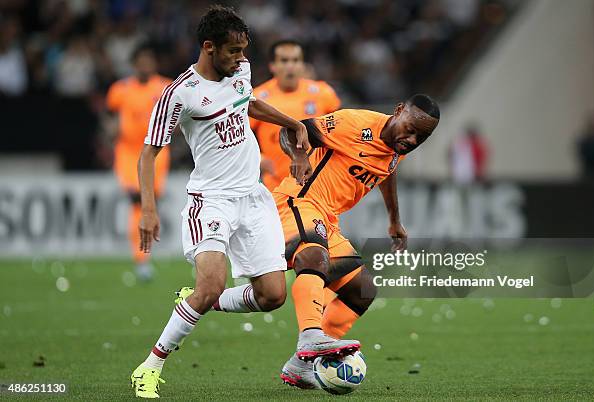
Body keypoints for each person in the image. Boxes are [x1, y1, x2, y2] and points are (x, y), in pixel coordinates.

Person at [129, 6, 357, 398]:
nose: (240, 58)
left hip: (253, 197)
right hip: (212, 200)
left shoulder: (240, 70)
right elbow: (148, 154)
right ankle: (150, 366)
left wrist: (293, 123)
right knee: (212, 284)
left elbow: (247, 103)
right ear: (208, 47)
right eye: (232, 51)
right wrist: (148, 210)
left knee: (272, 296)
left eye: (243, 51)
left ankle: (199, 301)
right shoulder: (180, 94)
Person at [275, 94, 440, 388]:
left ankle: (301, 365)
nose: (413, 140)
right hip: (298, 200)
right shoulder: (354, 124)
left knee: (361, 291)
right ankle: (311, 336)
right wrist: (299, 158)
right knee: (314, 258)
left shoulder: (396, 147)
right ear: (398, 110)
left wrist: (394, 219)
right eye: (411, 129)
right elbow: (293, 129)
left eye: (422, 137)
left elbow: (386, 171)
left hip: (328, 217)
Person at [106, 45, 171, 281]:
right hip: (128, 152)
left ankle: (145, 254)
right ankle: (142, 259)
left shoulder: (165, 87)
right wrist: (111, 130)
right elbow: (110, 116)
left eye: (149, 61)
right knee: (137, 201)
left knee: (150, 203)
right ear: (134, 65)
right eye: (141, 62)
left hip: (156, 152)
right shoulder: (119, 90)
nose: (145, 66)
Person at [251, 40, 341, 191]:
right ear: (272, 66)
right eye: (284, 61)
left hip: (318, 185)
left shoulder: (323, 93)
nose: (290, 66)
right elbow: (242, 136)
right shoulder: (257, 98)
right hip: (275, 187)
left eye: (295, 60)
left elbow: (341, 131)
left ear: (302, 65)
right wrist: (258, 158)